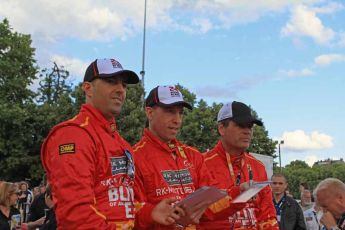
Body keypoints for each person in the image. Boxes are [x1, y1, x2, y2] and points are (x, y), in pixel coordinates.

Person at [41, 58, 178, 229]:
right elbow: (77, 215)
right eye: (111, 82)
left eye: (124, 85)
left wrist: (150, 213)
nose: (120, 90)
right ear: (87, 88)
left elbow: (121, 203)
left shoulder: (122, 143)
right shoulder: (73, 135)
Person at [133, 85, 247, 229]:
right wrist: (151, 213)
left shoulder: (193, 156)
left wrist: (239, 193)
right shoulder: (134, 157)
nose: (177, 120)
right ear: (149, 113)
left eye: (180, 113)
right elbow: (123, 212)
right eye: (170, 112)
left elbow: (211, 207)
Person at [201, 101, 278, 229]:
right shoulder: (201, 164)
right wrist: (237, 194)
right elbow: (199, 213)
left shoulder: (257, 166)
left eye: (250, 126)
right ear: (221, 128)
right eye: (241, 125)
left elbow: (267, 214)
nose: (247, 131)